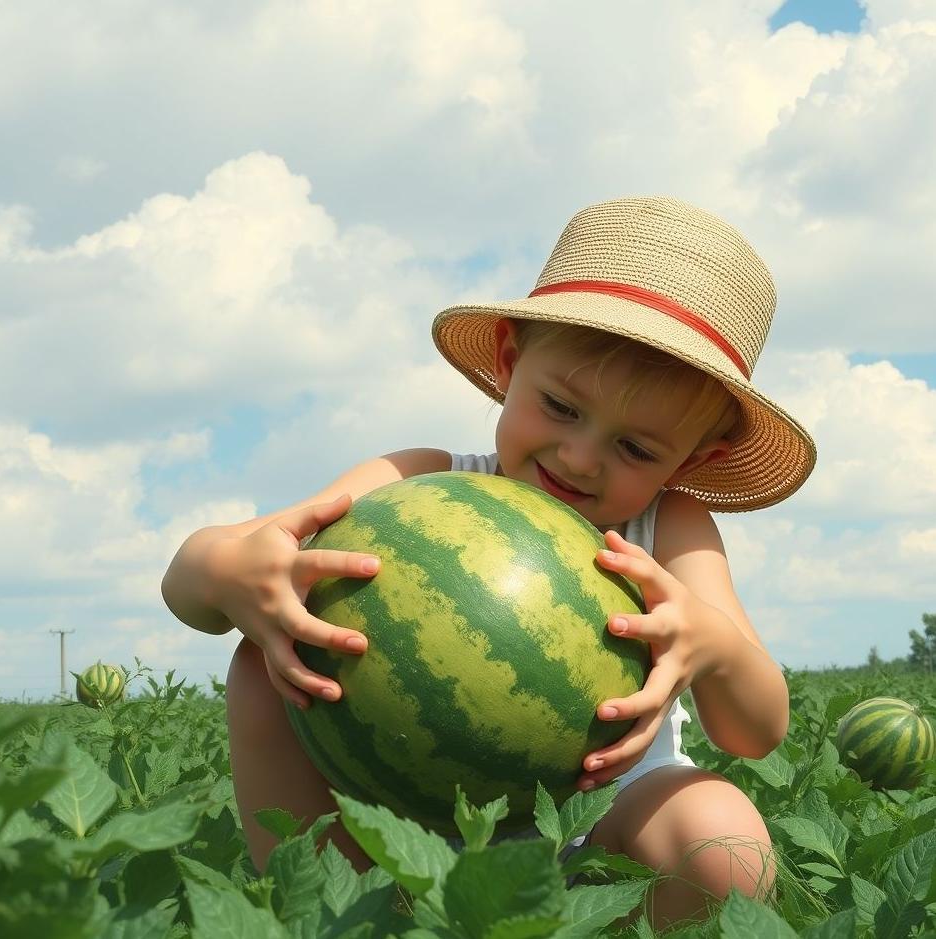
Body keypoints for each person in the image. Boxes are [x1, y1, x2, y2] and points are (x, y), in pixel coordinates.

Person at [161, 196, 816, 928]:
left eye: (636, 448)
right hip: (406, 818)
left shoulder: (671, 525)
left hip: (606, 813)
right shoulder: (412, 482)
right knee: (264, 663)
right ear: (509, 361)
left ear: (697, 457)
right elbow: (189, 578)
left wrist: (712, 643)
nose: (579, 457)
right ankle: (332, 912)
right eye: (561, 408)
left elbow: (754, 730)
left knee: (719, 840)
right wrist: (228, 576)